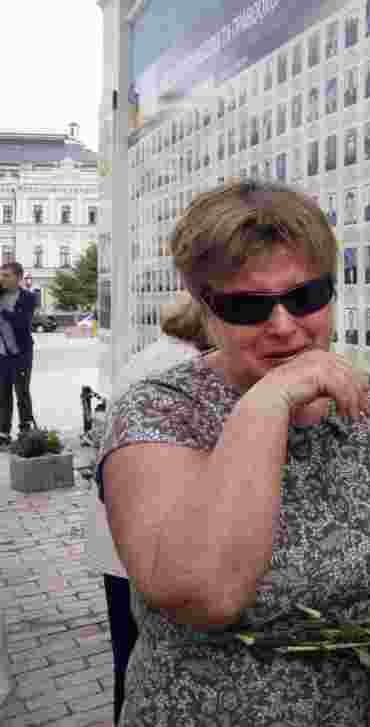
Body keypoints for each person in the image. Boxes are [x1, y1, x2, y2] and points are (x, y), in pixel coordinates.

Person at [97, 180, 370, 726]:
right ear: (205, 310)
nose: (284, 326)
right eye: (249, 307)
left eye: (305, 297)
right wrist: (268, 402)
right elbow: (204, 593)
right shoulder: (157, 413)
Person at [94, 291, 211, 725]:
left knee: (126, 653)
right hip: (142, 538)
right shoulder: (182, 367)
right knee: (141, 654)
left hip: (118, 534)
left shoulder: (153, 354)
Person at [0, 262, 37, 444]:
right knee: (2, 394)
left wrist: (4, 312)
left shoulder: (28, 297)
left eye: (7, 275)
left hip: (21, 354)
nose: (2, 279)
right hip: (2, 354)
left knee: (22, 393)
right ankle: (3, 433)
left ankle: (25, 431)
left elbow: (22, 323)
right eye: (1, 275)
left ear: (18, 277)